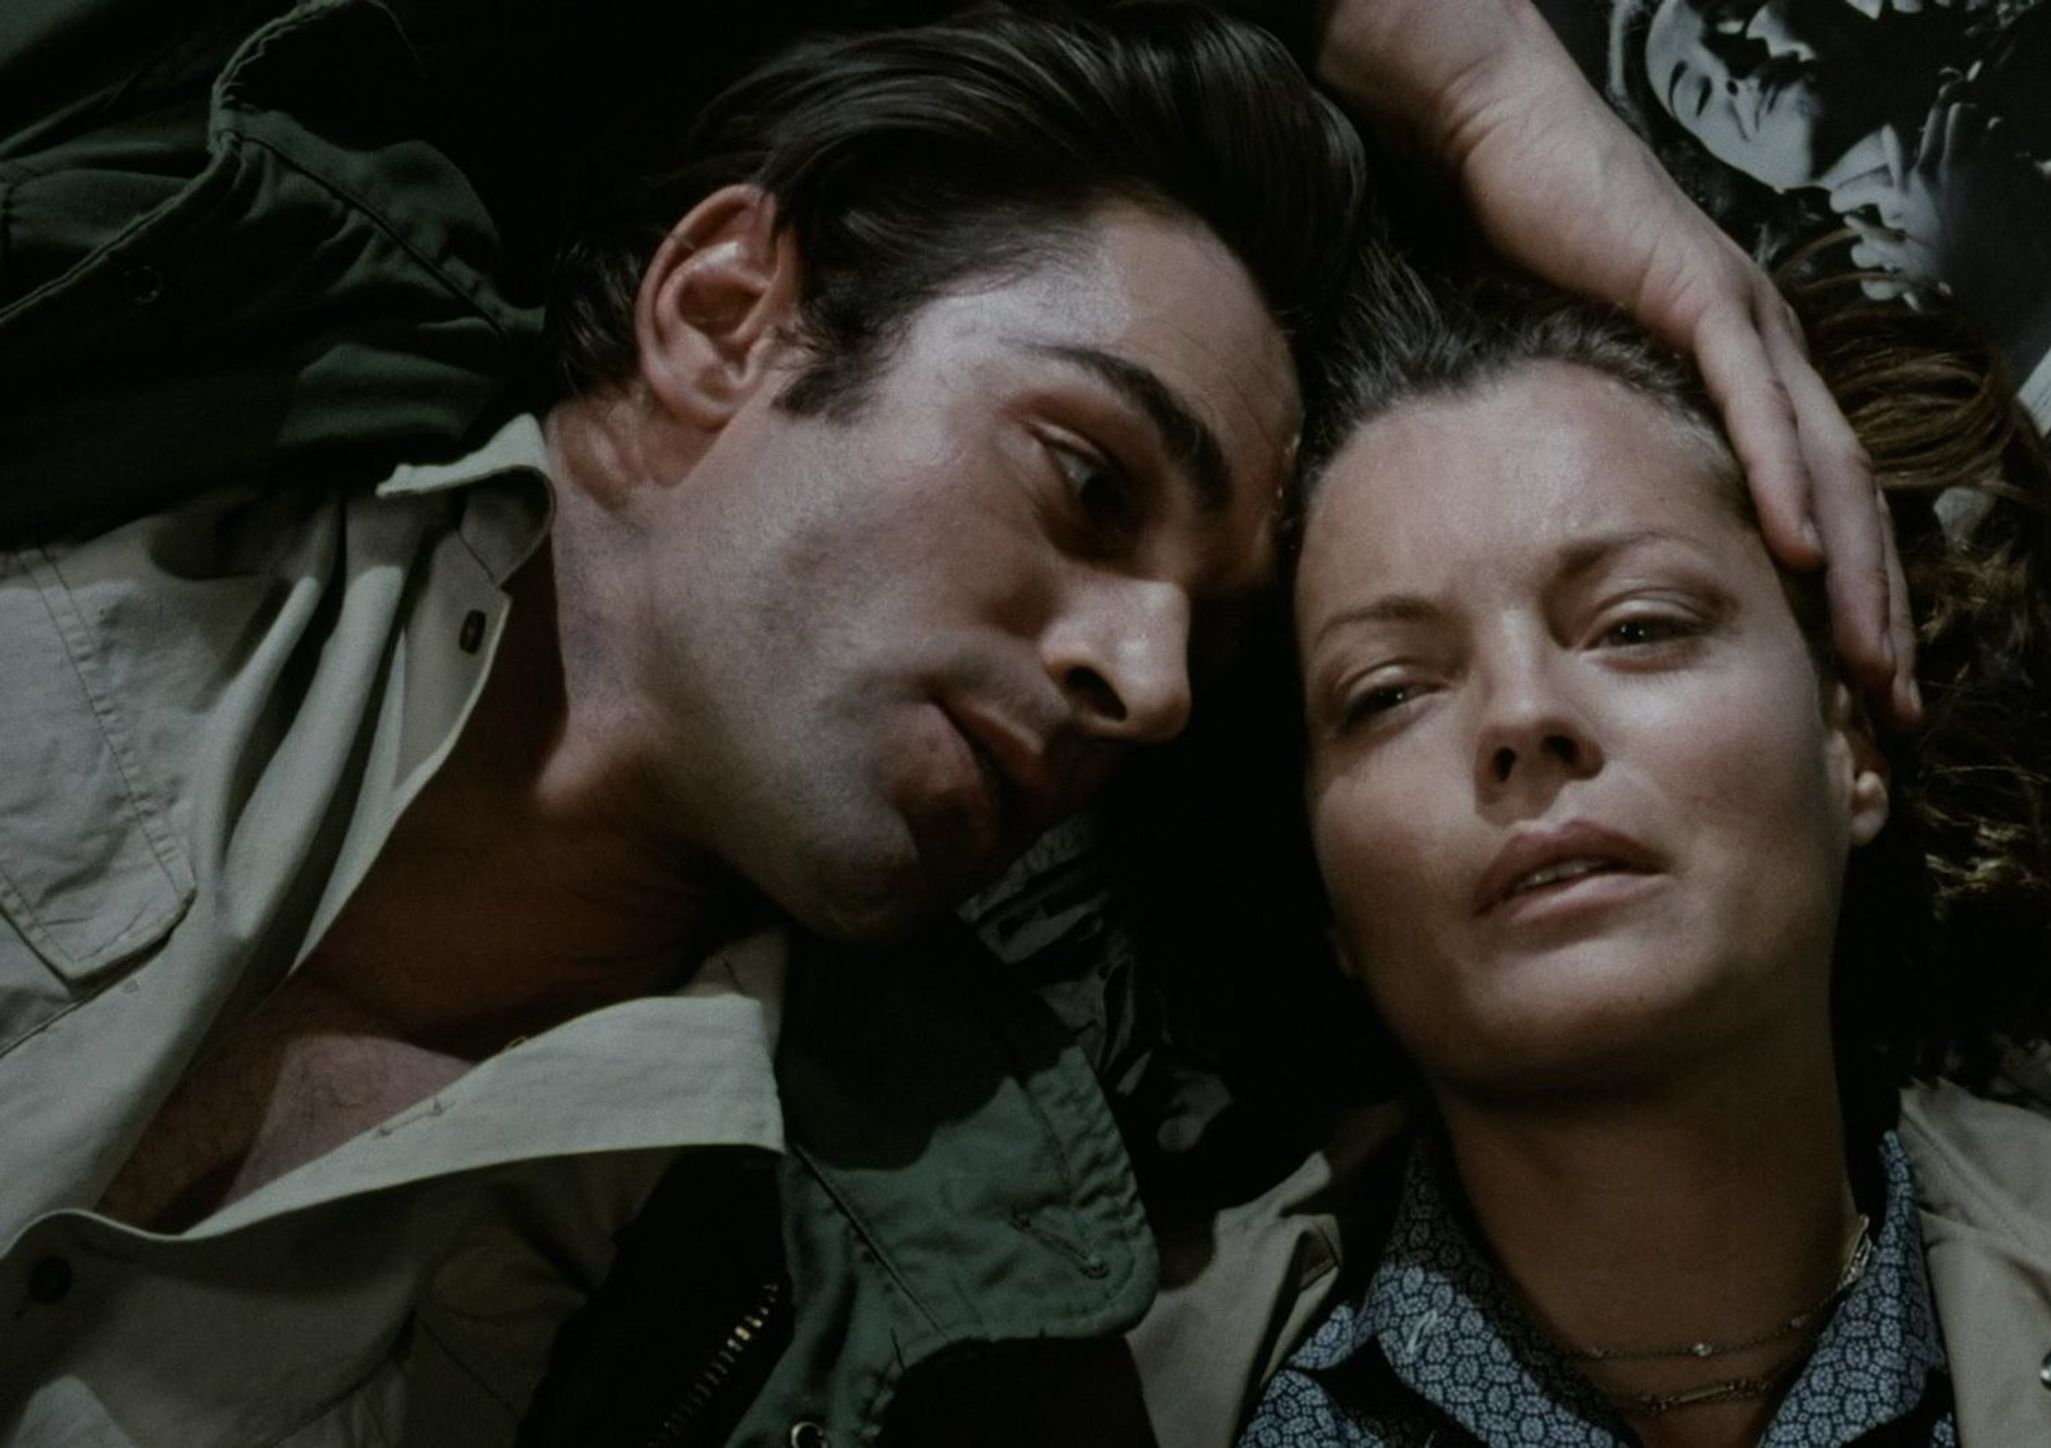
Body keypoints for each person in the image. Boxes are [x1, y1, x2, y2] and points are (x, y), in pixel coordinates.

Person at [0, 3, 1923, 1445]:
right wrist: (1481, 74)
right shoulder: (138, 261)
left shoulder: (899, 1298)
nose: (1150, 685)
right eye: (1088, 479)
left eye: (1215, 634)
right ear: (726, 311)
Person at [1205, 256, 2051, 1444]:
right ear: (1322, 889)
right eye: (1388, 691)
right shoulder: (1170, 1410)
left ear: (1851, 741)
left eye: (1637, 623)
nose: (1521, 714)